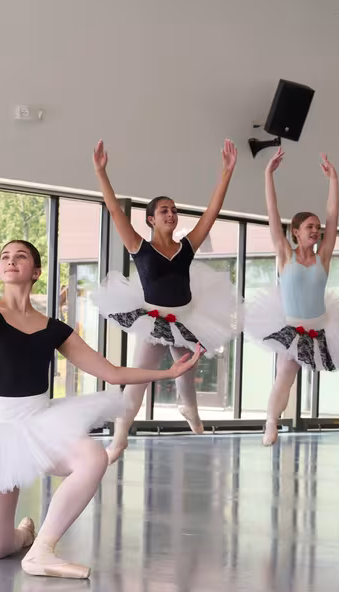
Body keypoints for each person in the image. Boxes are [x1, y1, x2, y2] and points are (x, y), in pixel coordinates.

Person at [0, 234, 202, 579]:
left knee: (93, 457)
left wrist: (167, 371)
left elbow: (111, 372)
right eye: (5, 256)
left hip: (39, 422)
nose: (11, 260)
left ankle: (42, 550)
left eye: (20, 256)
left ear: (36, 271)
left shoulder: (55, 329)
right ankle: (25, 535)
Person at [91, 139, 241, 462]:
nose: (171, 214)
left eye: (174, 210)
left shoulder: (187, 247)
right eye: (164, 211)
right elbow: (115, 210)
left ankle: (189, 409)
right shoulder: (139, 247)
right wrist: (102, 173)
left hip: (186, 317)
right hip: (154, 320)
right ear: (151, 220)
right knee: (139, 380)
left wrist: (226, 173)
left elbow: (212, 213)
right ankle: (119, 439)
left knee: (185, 374)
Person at [245, 149, 339, 446]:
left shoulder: (324, 256)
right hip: (290, 325)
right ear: (295, 232)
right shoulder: (285, 254)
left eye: (316, 227)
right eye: (309, 227)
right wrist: (268, 175)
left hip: (320, 325)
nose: (316, 230)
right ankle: (271, 423)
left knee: (298, 373)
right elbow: (272, 214)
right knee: (286, 373)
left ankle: (282, 420)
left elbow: (333, 217)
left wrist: (333, 180)